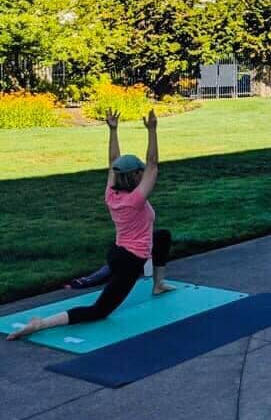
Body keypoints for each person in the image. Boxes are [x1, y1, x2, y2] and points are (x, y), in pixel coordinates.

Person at [7, 109, 174, 342]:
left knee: (162, 236)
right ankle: (41, 324)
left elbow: (113, 163)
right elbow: (153, 165)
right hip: (130, 261)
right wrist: (152, 130)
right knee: (99, 311)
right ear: (135, 176)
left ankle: (158, 284)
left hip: (118, 252)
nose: (144, 173)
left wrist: (113, 130)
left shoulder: (111, 194)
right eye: (140, 172)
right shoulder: (135, 200)